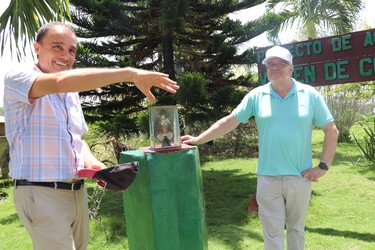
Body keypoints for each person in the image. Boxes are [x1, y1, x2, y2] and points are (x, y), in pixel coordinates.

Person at [4, 22, 179, 250]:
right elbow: (59, 82)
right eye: (57, 47)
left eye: (71, 50)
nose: (65, 56)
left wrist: (95, 164)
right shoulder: (18, 77)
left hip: (76, 191)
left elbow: (78, 139)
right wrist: (130, 74)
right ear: (37, 47)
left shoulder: (70, 92)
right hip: (41, 192)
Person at [181, 45, 339, 250]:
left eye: (280, 63)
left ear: (291, 68)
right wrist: (199, 139)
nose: (275, 67)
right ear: (266, 69)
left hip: (300, 176)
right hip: (268, 177)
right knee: (271, 234)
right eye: (270, 64)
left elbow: (331, 130)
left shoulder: (310, 95)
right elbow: (230, 121)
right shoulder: (256, 96)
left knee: (296, 230)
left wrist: (322, 166)